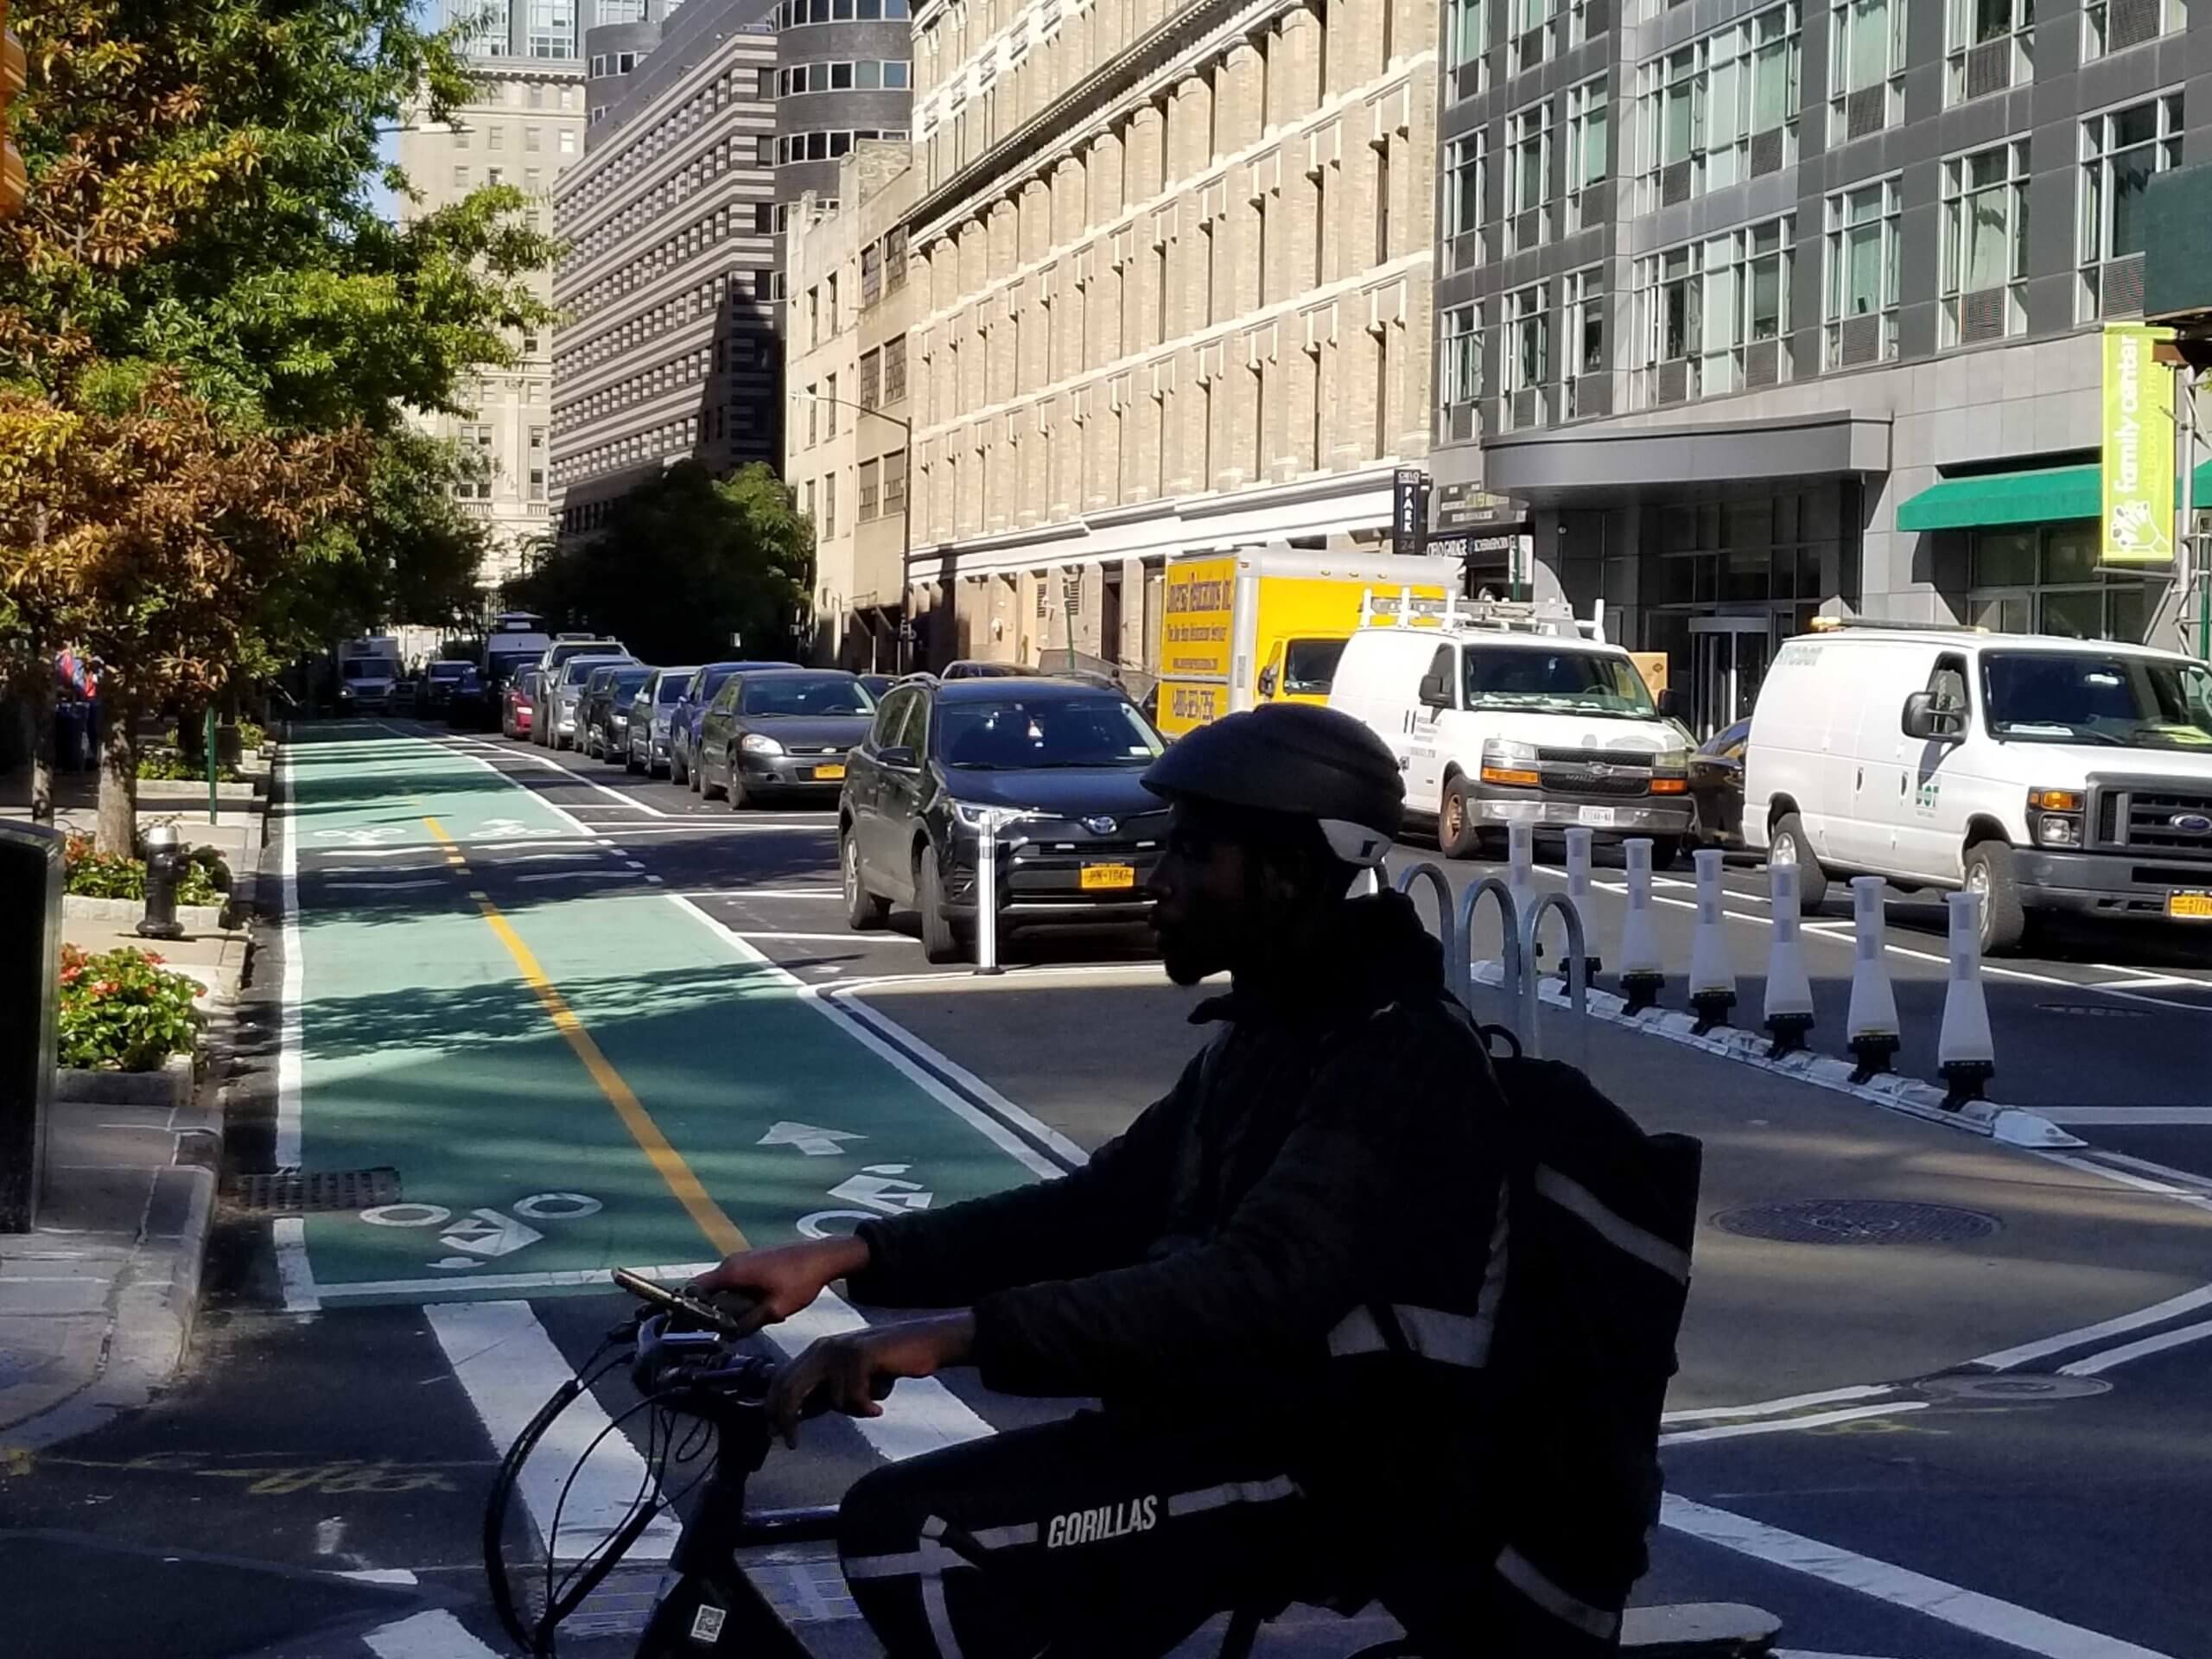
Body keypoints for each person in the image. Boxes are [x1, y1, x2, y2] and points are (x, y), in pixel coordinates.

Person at [696, 703, 1527, 1656]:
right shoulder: (1272, 1032)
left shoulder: (1397, 1054)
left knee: (912, 1536)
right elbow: (1098, 1210)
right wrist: (849, 1256)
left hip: (1346, 1467)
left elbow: (1257, 1285)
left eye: (1193, 853)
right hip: (1224, 1430)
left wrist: (950, 1340)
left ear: (1285, 876)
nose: (1158, 878)